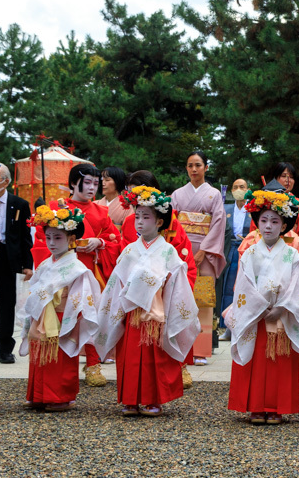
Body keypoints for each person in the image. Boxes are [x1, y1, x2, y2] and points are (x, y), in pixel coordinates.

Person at [95, 187, 200, 417]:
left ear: (160, 221)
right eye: (138, 216)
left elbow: (177, 285)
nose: (139, 222)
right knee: (130, 358)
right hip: (132, 315)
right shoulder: (130, 250)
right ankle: (130, 399)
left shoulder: (168, 251)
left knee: (156, 359)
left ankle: (154, 400)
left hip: (157, 315)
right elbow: (117, 282)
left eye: (146, 217)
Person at [225, 188, 299, 425]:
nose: (268, 226)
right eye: (263, 220)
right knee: (257, 359)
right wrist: (258, 307)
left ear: (284, 225)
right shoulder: (249, 254)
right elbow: (243, 285)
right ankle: (256, 406)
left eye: (275, 221)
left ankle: (276, 407)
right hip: (255, 317)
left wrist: (282, 307)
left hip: (282, 315)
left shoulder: (292, 255)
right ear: (256, 223)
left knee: (279, 361)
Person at [30, 163, 121, 387]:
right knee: (58, 318)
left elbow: (115, 240)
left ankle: (93, 364)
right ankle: (53, 364)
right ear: (73, 183)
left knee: (89, 315)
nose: (92, 188)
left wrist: (99, 241)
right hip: (59, 272)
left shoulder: (102, 212)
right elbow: (42, 240)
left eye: (95, 183)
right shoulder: (56, 208)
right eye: (87, 182)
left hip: (89, 270)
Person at [120, 170, 199, 388]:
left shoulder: (171, 222)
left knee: (165, 336)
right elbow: (124, 259)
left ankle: (177, 368)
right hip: (135, 294)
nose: (140, 220)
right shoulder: (129, 223)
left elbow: (182, 262)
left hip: (163, 292)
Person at [18, 204, 100, 412]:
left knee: (61, 357)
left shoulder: (77, 267)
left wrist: (71, 318)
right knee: (41, 355)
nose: (52, 243)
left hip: (64, 315)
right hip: (42, 315)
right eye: (49, 238)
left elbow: (80, 297)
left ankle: (61, 396)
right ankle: (38, 394)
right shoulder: (46, 264)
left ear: (71, 240)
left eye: (58, 238)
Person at [170, 151, 227, 366]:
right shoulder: (177, 195)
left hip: (205, 251)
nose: (194, 169)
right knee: (179, 296)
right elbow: (172, 223)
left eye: (198, 165)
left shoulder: (213, 195)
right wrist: (177, 248)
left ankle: (200, 350)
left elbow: (219, 223)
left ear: (206, 168)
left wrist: (204, 250)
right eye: (190, 165)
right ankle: (179, 347)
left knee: (203, 299)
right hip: (181, 248)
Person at [0, 163, 33, 364]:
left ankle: (4, 349)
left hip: (7, 257)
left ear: (6, 182)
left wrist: (27, 264)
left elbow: (25, 237)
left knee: (6, 305)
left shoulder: (19, 204)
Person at [219, 178, 250, 341]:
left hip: (247, 249)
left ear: (248, 189)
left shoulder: (253, 208)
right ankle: (227, 326)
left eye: (242, 187)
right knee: (228, 287)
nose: (239, 189)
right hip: (230, 248)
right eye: (235, 187)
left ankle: (243, 324)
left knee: (243, 287)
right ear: (231, 191)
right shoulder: (226, 208)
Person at [268, 162, 299, 254]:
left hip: (292, 251)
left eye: (291, 177)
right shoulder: (265, 201)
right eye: (284, 176)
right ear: (275, 178)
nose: (288, 180)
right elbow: (256, 229)